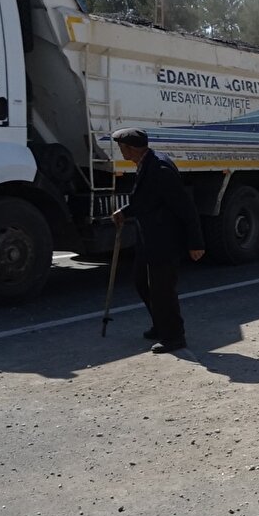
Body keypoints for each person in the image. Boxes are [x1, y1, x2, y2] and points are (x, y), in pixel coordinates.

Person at [110, 128, 204, 354]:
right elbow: (147, 199)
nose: (120, 151)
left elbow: (186, 207)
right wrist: (125, 211)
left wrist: (196, 243)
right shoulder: (146, 164)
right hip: (149, 237)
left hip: (165, 239)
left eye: (121, 147)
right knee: (142, 281)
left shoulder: (160, 169)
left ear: (131, 148)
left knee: (163, 289)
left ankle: (174, 336)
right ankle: (161, 324)